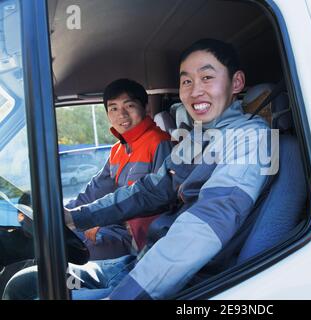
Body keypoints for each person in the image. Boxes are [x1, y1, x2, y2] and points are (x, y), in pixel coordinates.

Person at [3, 38, 272, 300]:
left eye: (207, 78)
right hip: (140, 261)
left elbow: (206, 224)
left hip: (186, 280)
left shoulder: (250, 137)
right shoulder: (200, 137)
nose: (194, 91)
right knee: (26, 283)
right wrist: (75, 217)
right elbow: (149, 191)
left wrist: (124, 295)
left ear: (236, 82)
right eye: (186, 81)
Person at [65, 78, 172, 259]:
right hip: (118, 225)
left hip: (142, 236)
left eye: (129, 106)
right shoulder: (118, 149)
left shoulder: (160, 142)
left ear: (146, 108)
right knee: (64, 239)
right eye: (113, 108)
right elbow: (96, 189)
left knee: (74, 254)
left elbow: (161, 197)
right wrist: (66, 212)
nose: (121, 114)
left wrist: (101, 220)